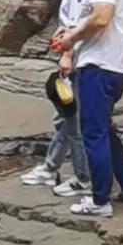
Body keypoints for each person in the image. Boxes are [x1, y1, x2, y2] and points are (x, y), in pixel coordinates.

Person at [50, 0, 123, 226]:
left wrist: (71, 40)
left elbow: (101, 18)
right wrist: (70, 35)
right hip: (110, 66)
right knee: (105, 129)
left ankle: (100, 200)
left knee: (94, 133)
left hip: (100, 66)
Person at [22, 60, 84, 194]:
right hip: (74, 67)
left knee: (74, 127)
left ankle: (84, 179)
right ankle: (50, 168)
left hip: (85, 67)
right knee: (64, 121)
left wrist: (68, 53)